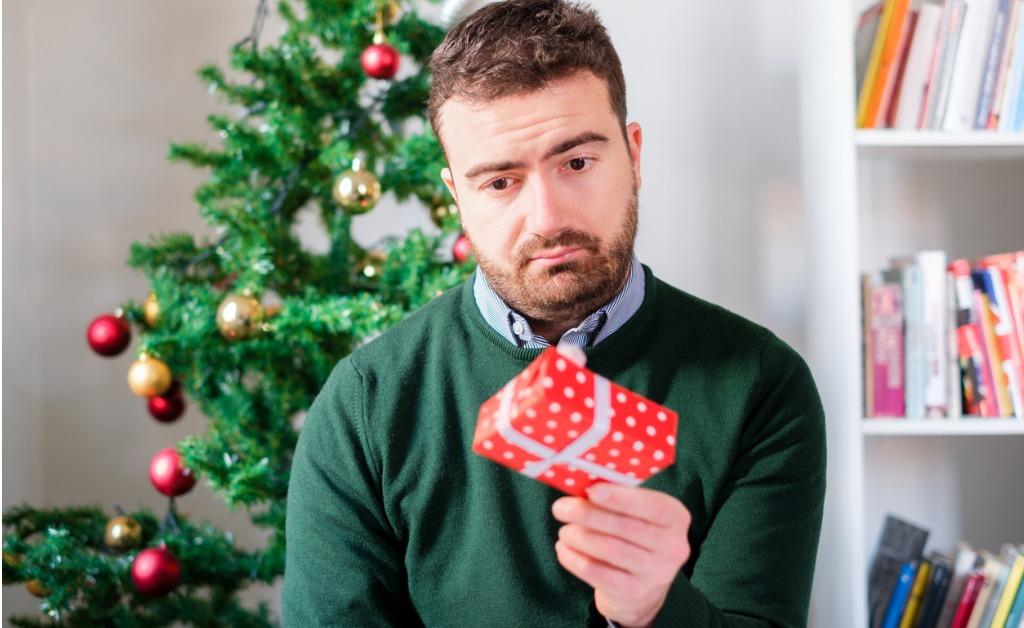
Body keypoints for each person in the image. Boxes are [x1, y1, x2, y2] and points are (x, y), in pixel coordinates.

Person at [282, 1, 826, 626]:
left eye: (576, 162)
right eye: (499, 183)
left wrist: (655, 607)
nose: (548, 219)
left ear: (634, 155)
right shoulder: (367, 404)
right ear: (457, 197)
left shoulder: (759, 384)